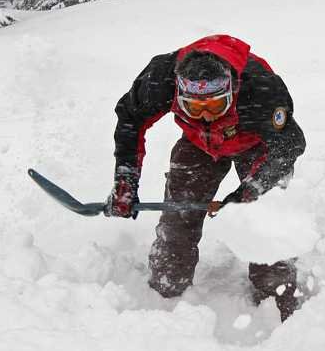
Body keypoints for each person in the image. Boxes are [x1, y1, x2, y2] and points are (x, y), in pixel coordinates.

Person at [104, 34, 306, 321]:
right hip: (197, 143)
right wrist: (125, 179)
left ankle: (277, 298)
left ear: (232, 90)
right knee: (179, 217)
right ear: (179, 92)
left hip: (255, 145)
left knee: (264, 220)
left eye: (214, 106)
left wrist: (251, 189)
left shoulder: (260, 88)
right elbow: (130, 120)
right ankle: (165, 292)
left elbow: (289, 145)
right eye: (195, 108)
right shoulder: (161, 78)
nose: (207, 115)